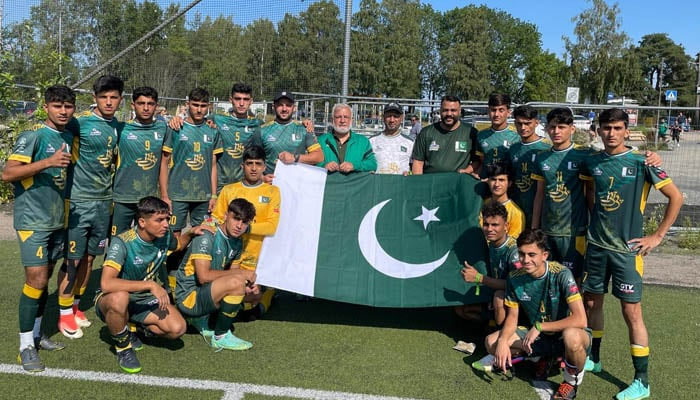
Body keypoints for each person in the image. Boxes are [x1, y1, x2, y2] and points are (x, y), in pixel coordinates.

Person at [580, 108, 682, 400]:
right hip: (597, 248)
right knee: (592, 304)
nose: (611, 133)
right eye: (606, 128)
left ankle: (642, 381)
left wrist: (657, 236)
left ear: (627, 130)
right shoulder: (592, 162)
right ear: (598, 131)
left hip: (627, 252)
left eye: (616, 128)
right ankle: (595, 359)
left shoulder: (642, 162)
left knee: (631, 313)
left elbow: (676, 196)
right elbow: (590, 193)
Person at [2, 85, 75, 372]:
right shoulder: (32, 135)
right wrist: (47, 162)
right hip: (32, 221)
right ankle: (24, 348)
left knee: (45, 280)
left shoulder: (67, 136)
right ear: (46, 107)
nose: (63, 111)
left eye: (68, 106)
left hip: (57, 220)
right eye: (57, 105)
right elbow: (7, 174)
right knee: (35, 280)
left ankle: (36, 334)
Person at [95, 197, 210, 373]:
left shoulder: (163, 236)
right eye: (159, 220)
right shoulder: (122, 242)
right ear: (142, 222)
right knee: (120, 298)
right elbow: (106, 284)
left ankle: (134, 327)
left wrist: (191, 232)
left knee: (178, 329)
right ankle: (123, 347)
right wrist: (150, 285)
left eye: (166, 219)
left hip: (143, 299)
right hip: (111, 298)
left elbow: (178, 245)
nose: (165, 224)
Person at [473, 229, 591, 400]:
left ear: (544, 255)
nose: (525, 260)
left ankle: (570, 382)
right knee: (491, 342)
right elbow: (512, 317)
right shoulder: (515, 277)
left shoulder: (562, 274)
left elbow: (580, 319)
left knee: (572, 336)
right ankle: (540, 358)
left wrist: (540, 326)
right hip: (539, 337)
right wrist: (502, 341)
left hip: (563, 336)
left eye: (531, 254)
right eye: (522, 254)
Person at [59, 75, 122, 339]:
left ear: (120, 99)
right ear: (95, 98)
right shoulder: (79, 123)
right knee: (72, 259)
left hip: (103, 203)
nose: (108, 102)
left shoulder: (118, 125)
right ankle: (63, 315)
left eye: (114, 97)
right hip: (78, 202)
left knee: (89, 257)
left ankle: (75, 306)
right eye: (103, 97)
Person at [176, 198, 258, 350]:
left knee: (252, 292)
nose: (239, 226)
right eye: (236, 219)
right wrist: (242, 275)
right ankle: (220, 336)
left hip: (204, 292)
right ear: (226, 215)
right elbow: (203, 276)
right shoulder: (207, 236)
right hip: (188, 298)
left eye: (245, 222)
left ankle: (199, 318)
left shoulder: (237, 241)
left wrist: (248, 284)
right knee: (237, 282)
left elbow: (233, 271)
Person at [212, 145, 280, 316]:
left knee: (250, 301)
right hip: (229, 259)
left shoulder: (273, 191)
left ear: (265, 167)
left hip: (257, 261)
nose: (254, 168)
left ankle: (266, 292)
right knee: (223, 298)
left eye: (258, 164)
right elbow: (216, 220)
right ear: (242, 166)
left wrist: (246, 227)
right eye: (249, 163)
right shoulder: (229, 190)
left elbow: (272, 226)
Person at [531, 108, 596, 283]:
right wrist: (535, 228)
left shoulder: (584, 154)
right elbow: (539, 195)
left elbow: (590, 191)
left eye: (561, 127)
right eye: (552, 127)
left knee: (573, 281)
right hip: (547, 230)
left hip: (574, 232)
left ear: (572, 129)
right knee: (548, 278)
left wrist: (595, 221)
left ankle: (576, 312)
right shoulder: (542, 157)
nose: (556, 132)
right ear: (546, 129)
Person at [112, 87, 169, 236]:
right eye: (141, 103)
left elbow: (164, 163)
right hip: (122, 197)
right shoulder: (121, 128)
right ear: (133, 105)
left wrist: (164, 195)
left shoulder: (164, 128)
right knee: (118, 243)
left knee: (146, 242)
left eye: (150, 104)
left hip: (149, 200)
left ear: (156, 106)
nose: (146, 108)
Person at [460, 202, 520, 327]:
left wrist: (479, 277)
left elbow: (516, 286)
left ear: (506, 226)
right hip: (493, 291)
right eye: (486, 224)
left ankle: (502, 335)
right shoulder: (491, 244)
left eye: (495, 225)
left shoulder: (514, 252)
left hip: (515, 300)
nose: (489, 229)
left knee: (499, 297)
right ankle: (490, 325)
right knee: (461, 309)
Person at [259, 91, 323, 181]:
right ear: (273, 107)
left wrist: (294, 158)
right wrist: (261, 177)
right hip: (270, 186)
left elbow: (319, 156)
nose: (284, 109)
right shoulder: (262, 130)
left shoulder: (304, 129)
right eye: (280, 105)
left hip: (295, 186)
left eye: (288, 105)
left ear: (294, 108)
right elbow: (253, 158)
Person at [507, 105, 551, 228]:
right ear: (515, 123)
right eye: (519, 123)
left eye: (527, 123)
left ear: (536, 123)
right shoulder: (513, 149)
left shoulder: (546, 148)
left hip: (541, 210)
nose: (523, 127)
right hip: (518, 207)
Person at [411, 95, 479, 175]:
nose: (449, 114)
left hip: (458, 185)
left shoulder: (471, 132)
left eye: (453, 110)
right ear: (440, 110)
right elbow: (418, 162)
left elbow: (477, 161)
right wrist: (419, 184)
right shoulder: (426, 132)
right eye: (445, 110)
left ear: (460, 111)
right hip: (431, 184)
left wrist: (467, 170)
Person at [317, 103, 377, 173]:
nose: (342, 121)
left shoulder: (363, 142)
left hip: (354, 183)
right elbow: (310, 164)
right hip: (329, 183)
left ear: (351, 119)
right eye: (338, 117)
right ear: (332, 120)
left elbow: (372, 164)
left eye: (346, 117)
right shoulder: (321, 141)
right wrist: (324, 166)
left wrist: (354, 166)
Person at [472, 93, 519, 178]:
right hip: (485, 182)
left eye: (501, 110)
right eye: (493, 110)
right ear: (488, 111)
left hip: (508, 185)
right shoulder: (481, 135)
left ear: (508, 112)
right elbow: (482, 162)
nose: (496, 114)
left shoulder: (517, 135)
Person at [482, 162, 525, 239]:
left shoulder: (516, 213)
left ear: (509, 183)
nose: (497, 184)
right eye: (493, 179)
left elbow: (513, 244)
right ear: (488, 181)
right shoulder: (482, 204)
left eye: (501, 180)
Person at [370, 102, 415, 175]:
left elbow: (416, 168)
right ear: (383, 117)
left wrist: (410, 173)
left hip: (401, 185)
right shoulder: (371, 141)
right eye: (388, 116)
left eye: (395, 116)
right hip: (378, 185)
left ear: (401, 118)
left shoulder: (410, 143)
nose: (392, 120)